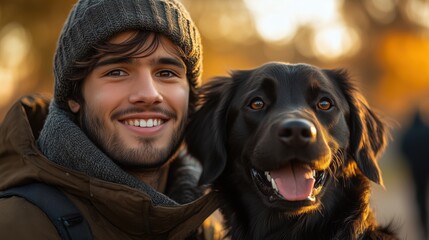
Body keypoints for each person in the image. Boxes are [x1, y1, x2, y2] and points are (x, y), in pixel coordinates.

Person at [0, 0, 222, 239]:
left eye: (166, 73)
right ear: (75, 96)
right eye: (117, 72)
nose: (148, 94)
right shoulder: (16, 226)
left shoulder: (207, 228)